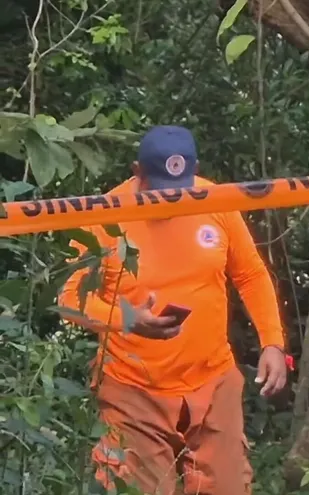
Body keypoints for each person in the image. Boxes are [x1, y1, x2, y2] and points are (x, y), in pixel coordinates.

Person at [58, 125, 289, 495]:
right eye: (160, 191)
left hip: (213, 381)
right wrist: (128, 319)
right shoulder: (104, 216)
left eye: (180, 191)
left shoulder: (216, 201)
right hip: (134, 390)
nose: (171, 202)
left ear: (194, 171)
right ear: (137, 172)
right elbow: (69, 299)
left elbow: (250, 274)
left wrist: (272, 342)